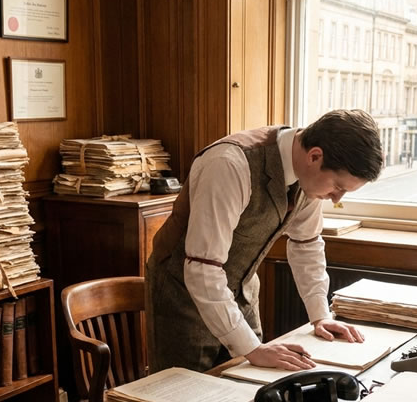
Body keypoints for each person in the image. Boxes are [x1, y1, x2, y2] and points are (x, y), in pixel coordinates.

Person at [145, 109, 384, 374]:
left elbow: (307, 245)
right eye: (338, 187)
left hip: (243, 293)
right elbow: (203, 270)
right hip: (183, 299)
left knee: (249, 388)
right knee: (186, 401)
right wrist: (253, 349)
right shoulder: (229, 164)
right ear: (315, 156)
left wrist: (320, 316)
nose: (337, 199)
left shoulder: (309, 177)